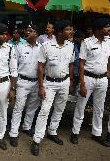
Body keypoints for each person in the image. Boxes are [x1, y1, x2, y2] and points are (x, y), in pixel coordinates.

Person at [31, 20, 74, 156]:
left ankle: (52, 131)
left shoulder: (71, 45)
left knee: (60, 108)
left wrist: (71, 80)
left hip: (65, 82)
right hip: (49, 83)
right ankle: (37, 139)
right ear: (60, 32)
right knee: (44, 110)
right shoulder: (46, 45)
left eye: (71, 30)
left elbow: (71, 64)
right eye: (68, 30)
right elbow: (40, 67)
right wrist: (41, 86)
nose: (71, 32)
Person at [70, 18, 110, 145]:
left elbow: (109, 58)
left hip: (102, 79)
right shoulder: (87, 42)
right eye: (106, 27)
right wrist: (82, 84)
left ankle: (97, 133)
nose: (109, 29)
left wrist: (108, 72)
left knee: (99, 108)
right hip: (88, 78)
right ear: (98, 29)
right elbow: (81, 64)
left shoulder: (109, 41)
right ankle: (75, 132)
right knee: (81, 106)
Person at [9, 24, 41, 147]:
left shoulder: (42, 48)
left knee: (32, 107)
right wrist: (13, 85)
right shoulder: (19, 48)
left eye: (31, 31)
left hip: (37, 82)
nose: (27, 32)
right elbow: (14, 68)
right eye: (27, 31)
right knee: (18, 108)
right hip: (22, 82)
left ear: (36, 34)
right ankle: (13, 133)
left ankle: (26, 127)